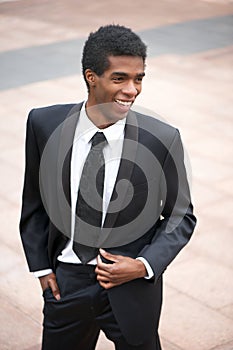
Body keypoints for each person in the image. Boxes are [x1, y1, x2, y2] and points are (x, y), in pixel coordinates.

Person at [19, 24, 196, 350]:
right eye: (120, 78)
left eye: (139, 78)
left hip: (131, 287)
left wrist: (143, 265)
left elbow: (180, 216)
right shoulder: (44, 125)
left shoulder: (162, 139)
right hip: (67, 283)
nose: (132, 89)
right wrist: (42, 269)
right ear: (91, 76)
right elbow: (34, 203)